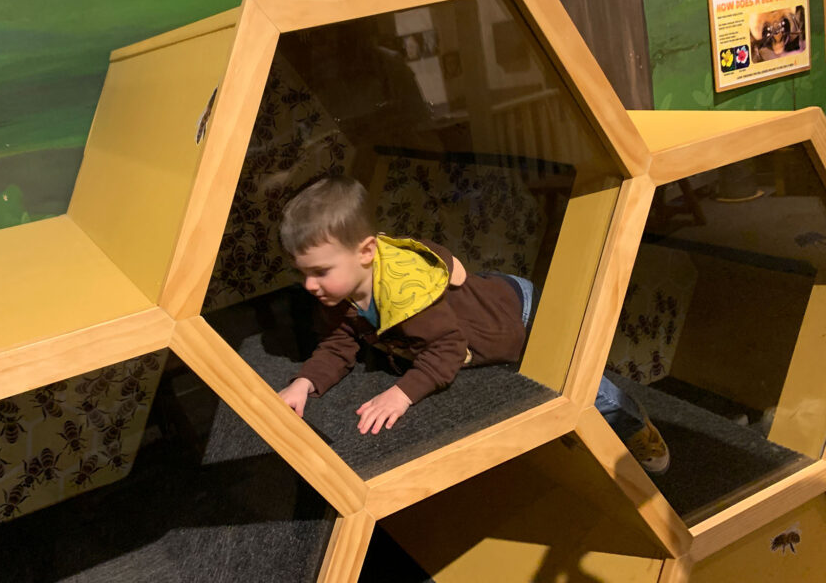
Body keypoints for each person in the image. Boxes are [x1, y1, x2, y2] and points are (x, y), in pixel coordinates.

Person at [276, 175, 670, 474]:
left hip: (514, 313)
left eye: (320, 272)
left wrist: (402, 393)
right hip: (479, 307)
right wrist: (305, 381)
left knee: (574, 378)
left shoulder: (408, 297)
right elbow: (339, 343)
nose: (310, 285)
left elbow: (446, 350)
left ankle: (633, 423)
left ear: (366, 252)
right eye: (303, 274)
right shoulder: (337, 292)